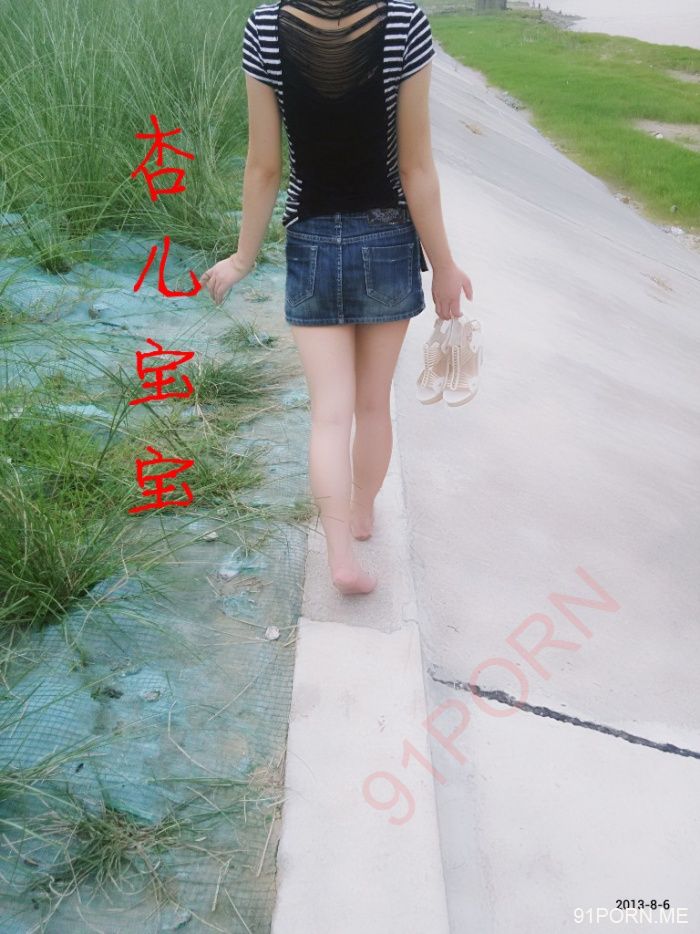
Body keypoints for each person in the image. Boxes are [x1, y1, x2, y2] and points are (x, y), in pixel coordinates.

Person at [201, 0, 473, 595]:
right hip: (388, 237)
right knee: (373, 405)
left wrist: (243, 257)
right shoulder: (405, 22)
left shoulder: (264, 26)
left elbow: (264, 167)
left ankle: (341, 558)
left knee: (329, 414)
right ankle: (363, 509)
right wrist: (445, 266)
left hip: (312, 242)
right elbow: (415, 168)